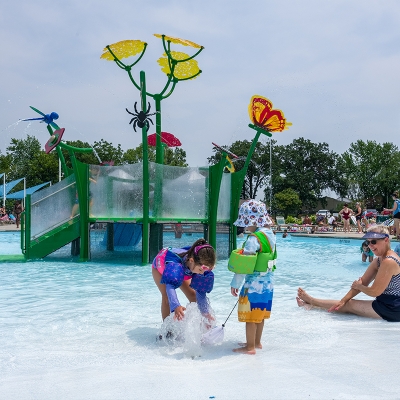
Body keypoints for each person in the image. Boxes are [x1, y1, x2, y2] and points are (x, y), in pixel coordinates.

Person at [296, 225, 400, 322]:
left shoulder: (389, 261)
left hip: (393, 308)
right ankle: (312, 304)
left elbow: (375, 292)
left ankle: (311, 301)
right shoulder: (378, 260)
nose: (370, 246)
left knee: (350, 305)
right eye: (368, 242)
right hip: (387, 303)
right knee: (347, 303)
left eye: (373, 241)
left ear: (386, 240)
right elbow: (363, 281)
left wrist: (360, 287)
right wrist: (343, 300)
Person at [229, 200, 276, 354]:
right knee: (260, 314)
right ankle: (256, 342)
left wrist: (235, 283)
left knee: (250, 317)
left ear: (253, 220)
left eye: (246, 222)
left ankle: (249, 348)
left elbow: (245, 265)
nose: (245, 226)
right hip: (268, 282)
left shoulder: (253, 239)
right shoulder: (271, 235)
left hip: (254, 283)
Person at [152, 238, 216, 323]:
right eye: (201, 270)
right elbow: (170, 286)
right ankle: (167, 330)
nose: (202, 273)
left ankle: (200, 325)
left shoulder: (198, 264)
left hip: (184, 270)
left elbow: (200, 291)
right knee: (167, 297)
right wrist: (176, 306)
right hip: (160, 269)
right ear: (191, 260)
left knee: (193, 295)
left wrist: (205, 312)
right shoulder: (176, 265)